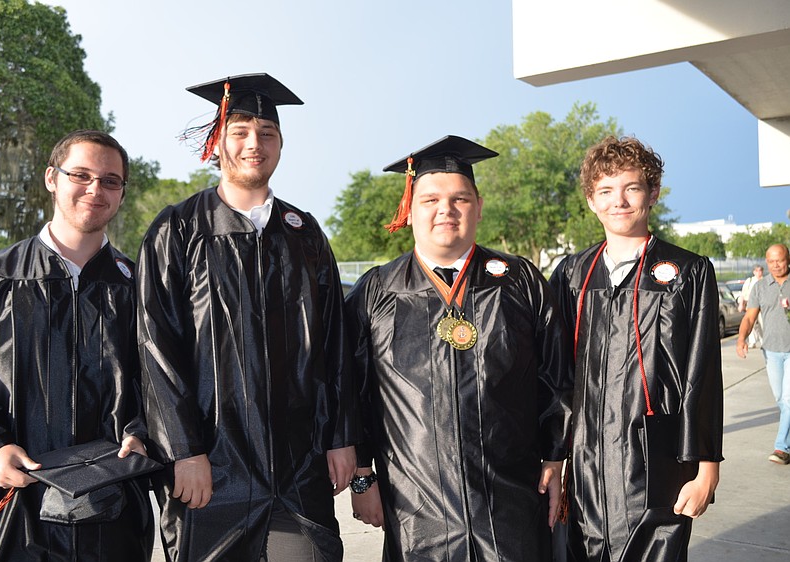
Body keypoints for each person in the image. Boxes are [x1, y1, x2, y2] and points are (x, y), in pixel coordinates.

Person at [137, 73, 359, 561]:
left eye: (267, 133)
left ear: (281, 143)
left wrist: (342, 438)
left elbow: (334, 343)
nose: (253, 144)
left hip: (299, 469)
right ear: (217, 141)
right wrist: (184, 450)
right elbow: (156, 347)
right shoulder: (177, 229)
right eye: (239, 131)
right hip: (213, 470)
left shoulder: (304, 233)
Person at [344, 135, 572, 561]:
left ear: (479, 207)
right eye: (430, 199)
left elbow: (556, 378)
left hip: (511, 502)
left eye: (460, 199)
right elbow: (351, 390)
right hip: (417, 510)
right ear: (409, 211)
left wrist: (555, 457)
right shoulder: (377, 290)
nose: (445, 210)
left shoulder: (519, 281)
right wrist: (362, 477)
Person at [0, 130, 154, 560]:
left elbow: (163, 383)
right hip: (13, 506)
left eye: (111, 180)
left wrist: (143, 432)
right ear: (52, 179)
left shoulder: (142, 289)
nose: (96, 189)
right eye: (81, 174)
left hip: (111, 508)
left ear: (122, 193)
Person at [549, 136, 723, 562]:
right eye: (606, 191)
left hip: (657, 459)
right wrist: (552, 456)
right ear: (592, 200)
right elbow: (555, 376)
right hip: (587, 459)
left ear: (653, 193)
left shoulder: (687, 272)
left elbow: (702, 372)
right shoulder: (572, 275)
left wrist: (707, 469)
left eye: (632, 188)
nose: (619, 202)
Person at [736, 244, 790, 465]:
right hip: (771, 351)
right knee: (781, 399)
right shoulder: (760, 287)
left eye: (780, 260)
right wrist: (742, 340)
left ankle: (781, 447)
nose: (775, 265)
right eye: (771, 261)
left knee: (788, 399)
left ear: (788, 259)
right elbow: (749, 318)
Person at [739, 265, 764, 347]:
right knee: (751, 323)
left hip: (762, 306)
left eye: (760, 271)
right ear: (754, 272)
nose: (759, 272)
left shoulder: (765, 281)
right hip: (750, 304)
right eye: (757, 271)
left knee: (762, 324)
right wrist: (741, 304)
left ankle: (763, 341)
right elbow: (743, 294)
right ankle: (752, 341)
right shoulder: (749, 281)